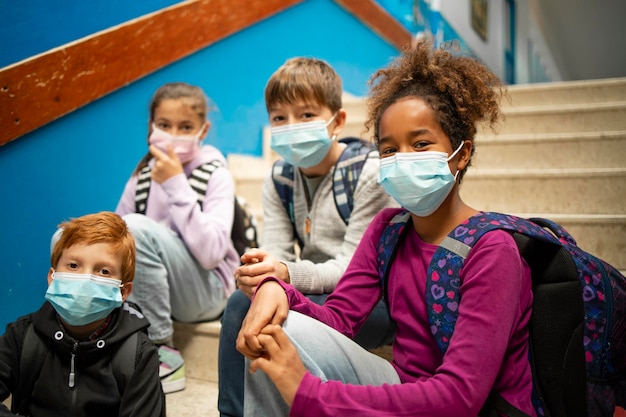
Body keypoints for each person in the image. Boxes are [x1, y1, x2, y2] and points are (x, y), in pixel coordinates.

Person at [236, 38, 536, 417]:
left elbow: (460, 397)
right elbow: (339, 320)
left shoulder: (492, 251)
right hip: (399, 381)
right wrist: (278, 291)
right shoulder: (387, 229)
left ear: (462, 153)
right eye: (390, 149)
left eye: (422, 143)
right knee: (277, 328)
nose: (403, 159)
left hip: (468, 407)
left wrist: (309, 393)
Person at [217, 57, 398, 417]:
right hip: (314, 288)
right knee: (245, 299)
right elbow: (277, 252)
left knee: (247, 307)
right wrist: (261, 272)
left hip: (371, 301)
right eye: (280, 118)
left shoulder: (370, 172)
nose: (291, 126)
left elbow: (353, 269)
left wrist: (284, 274)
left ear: (338, 120)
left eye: (306, 115)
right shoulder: (280, 178)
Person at [115, 82, 239, 393]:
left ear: (203, 130)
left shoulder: (216, 174)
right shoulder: (141, 177)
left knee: (137, 228)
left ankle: (161, 351)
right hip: (155, 291)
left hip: (206, 290)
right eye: (164, 125)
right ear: (151, 126)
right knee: (71, 237)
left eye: (185, 127)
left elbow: (212, 253)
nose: (173, 134)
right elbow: (116, 238)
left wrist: (175, 184)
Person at [0, 211, 165, 417]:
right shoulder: (22, 337)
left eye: (104, 271)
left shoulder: (138, 354)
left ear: (123, 292)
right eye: (73, 265)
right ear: (53, 277)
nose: (85, 279)